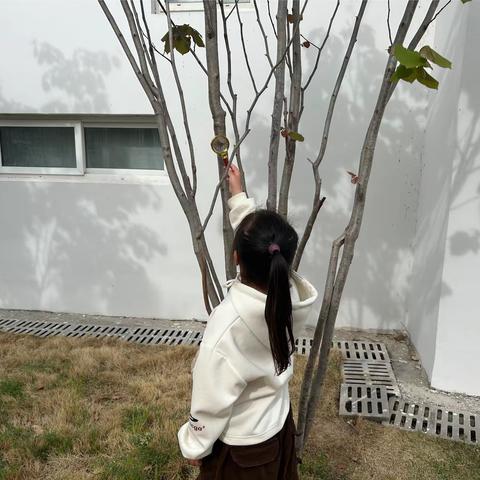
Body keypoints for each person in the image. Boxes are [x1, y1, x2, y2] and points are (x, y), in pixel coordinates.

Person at [177, 164, 318, 479]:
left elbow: (210, 400)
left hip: (242, 452)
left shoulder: (227, 325)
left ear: (236, 257)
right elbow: (261, 245)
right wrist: (238, 197)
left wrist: (194, 445)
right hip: (279, 426)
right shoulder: (292, 295)